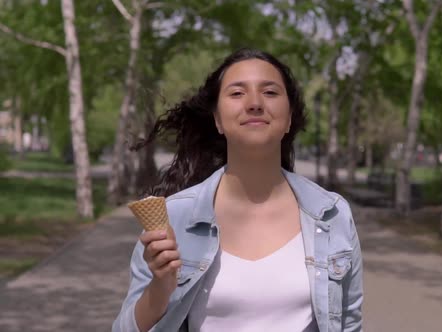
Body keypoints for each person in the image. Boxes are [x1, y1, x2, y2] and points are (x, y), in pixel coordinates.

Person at [112, 48, 363, 332]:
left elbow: (350, 325)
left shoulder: (332, 214)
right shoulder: (175, 217)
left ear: (289, 118)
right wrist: (160, 288)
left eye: (270, 92)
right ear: (218, 120)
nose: (255, 103)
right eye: (236, 93)